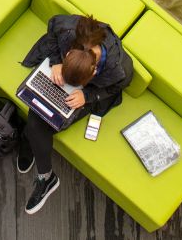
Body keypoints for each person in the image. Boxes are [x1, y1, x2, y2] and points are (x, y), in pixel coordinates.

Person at [17, 13, 133, 214]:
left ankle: (43, 169)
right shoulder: (69, 30)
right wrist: (55, 62)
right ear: (69, 52)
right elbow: (52, 23)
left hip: (85, 94)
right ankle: (39, 157)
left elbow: (115, 88)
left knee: (41, 120)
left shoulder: (119, 69)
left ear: (94, 72)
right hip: (60, 70)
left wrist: (87, 96)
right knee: (38, 111)